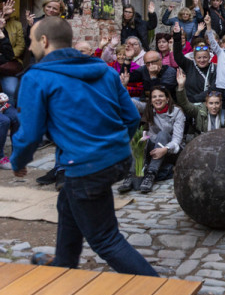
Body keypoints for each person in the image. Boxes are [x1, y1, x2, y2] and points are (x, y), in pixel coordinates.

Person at [9, 17, 157, 276]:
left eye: (32, 41)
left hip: (87, 166)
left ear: (44, 41)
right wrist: (112, 145)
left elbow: (30, 134)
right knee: (68, 201)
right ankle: (64, 264)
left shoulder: (38, 76)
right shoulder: (105, 70)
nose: (30, 48)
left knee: (105, 239)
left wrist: (18, 161)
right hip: (117, 159)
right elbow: (132, 117)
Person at [119, 86, 185, 194]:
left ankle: (151, 174)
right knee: (140, 138)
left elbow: (177, 140)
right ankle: (132, 174)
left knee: (162, 134)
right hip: (154, 149)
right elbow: (131, 103)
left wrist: (165, 149)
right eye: (154, 97)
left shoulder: (177, 112)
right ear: (151, 101)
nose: (157, 99)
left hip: (170, 150)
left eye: (161, 96)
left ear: (167, 98)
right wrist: (123, 87)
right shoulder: (149, 109)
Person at [172, 23, 216, 103]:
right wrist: (177, 36)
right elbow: (177, 56)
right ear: (194, 58)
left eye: (205, 57)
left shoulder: (214, 68)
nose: (202, 60)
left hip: (208, 103)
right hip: (190, 104)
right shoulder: (189, 65)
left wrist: (195, 99)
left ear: (209, 57)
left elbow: (213, 88)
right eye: (199, 58)